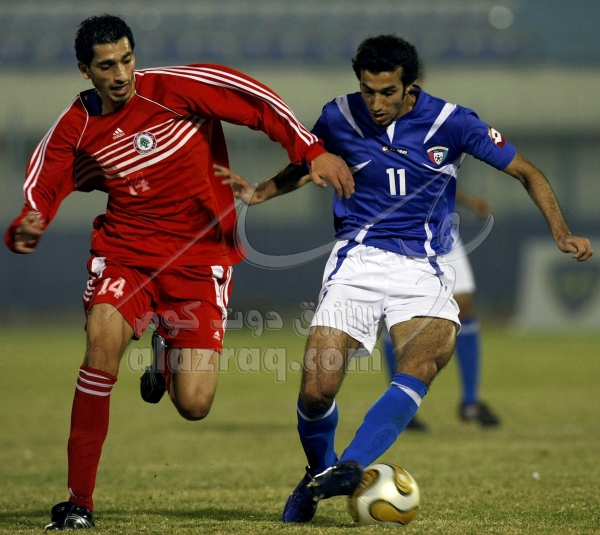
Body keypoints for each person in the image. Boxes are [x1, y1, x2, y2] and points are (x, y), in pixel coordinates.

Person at [215, 34, 592, 523]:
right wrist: (261, 192)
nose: (376, 103)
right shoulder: (337, 116)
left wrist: (561, 232)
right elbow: (309, 164)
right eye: (368, 91)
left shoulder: (452, 121)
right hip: (357, 260)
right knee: (316, 387)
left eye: (387, 92)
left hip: (424, 267)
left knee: (422, 361)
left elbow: (528, 172)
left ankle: (350, 466)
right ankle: (318, 475)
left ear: (410, 86)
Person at [4, 14, 354, 531]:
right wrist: (29, 223)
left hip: (199, 260)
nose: (120, 74)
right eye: (107, 66)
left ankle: (165, 353)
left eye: (126, 60)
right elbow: (45, 181)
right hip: (126, 255)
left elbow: (254, 99)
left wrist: (311, 151)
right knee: (101, 348)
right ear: (85, 70)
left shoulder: (175, 88)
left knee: (194, 404)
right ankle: (79, 503)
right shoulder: (76, 126)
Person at [382, 189, 500, 431]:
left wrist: (469, 201)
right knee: (394, 311)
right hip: (395, 226)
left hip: (439, 224)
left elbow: (440, 175)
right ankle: (398, 406)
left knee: (463, 305)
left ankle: (470, 401)